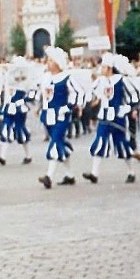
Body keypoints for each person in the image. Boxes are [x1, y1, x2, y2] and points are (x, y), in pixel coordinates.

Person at [82, 53, 139, 185]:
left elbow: (134, 96)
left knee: (121, 145)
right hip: (104, 117)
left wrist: (126, 109)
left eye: (103, 67)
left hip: (117, 118)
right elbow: (91, 92)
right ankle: (94, 174)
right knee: (100, 141)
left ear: (109, 68)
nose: (101, 69)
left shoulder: (121, 80)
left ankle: (131, 172)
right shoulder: (100, 81)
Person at [37, 47, 82, 189]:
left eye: (51, 60)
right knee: (59, 143)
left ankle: (48, 176)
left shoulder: (67, 77)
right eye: (48, 60)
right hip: (48, 116)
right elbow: (42, 95)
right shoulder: (45, 77)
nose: (48, 63)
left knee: (55, 143)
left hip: (61, 116)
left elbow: (79, 93)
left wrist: (68, 107)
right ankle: (70, 175)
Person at [0, 58, 34, 166]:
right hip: (9, 108)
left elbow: (32, 95)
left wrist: (22, 101)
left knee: (20, 129)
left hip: (19, 108)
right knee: (6, 128)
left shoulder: (27, 81)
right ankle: (2, 157)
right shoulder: (8, 78)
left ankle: (28, 155)